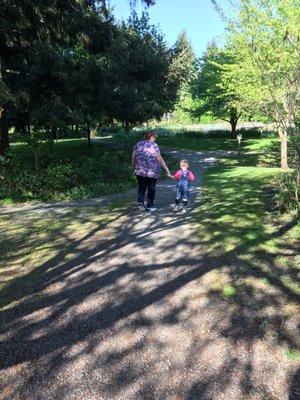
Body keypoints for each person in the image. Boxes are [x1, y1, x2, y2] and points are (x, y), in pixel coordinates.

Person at [132, 132, 171, 212]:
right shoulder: (154, 146)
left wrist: (133, 166)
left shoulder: (138, 144)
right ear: (151, 137)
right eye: (154, 138)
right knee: (151, 188)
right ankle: (150, 205)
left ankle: (141, 205)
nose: (155, 139)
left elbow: (133, 156)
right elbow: (159, 159)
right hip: (152, 171)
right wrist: (166, 169)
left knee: (141, 188)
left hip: (140, 171)